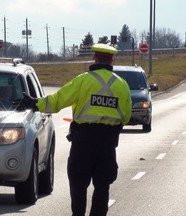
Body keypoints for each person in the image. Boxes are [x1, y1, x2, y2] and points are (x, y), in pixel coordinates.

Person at [21, 43, 132, 216]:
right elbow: (126, 116)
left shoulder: (83, 80)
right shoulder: (122, 85)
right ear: (112, 60)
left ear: (95, 58)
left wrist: (35, 103)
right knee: (102, 186)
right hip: (107, 143)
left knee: (79, 183)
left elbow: (58, 101)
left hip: (83, 141)